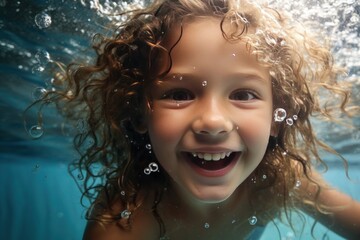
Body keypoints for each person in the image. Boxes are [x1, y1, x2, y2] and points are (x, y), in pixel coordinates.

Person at [44, 0, 360, 239]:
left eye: (244, 95)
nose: (212, 121)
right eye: (179, 94)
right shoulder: (126, 216)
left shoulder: (281, 180)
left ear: (277, 116)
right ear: (139, 111)